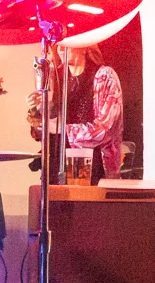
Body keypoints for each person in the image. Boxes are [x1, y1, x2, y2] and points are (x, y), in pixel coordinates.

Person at [27, 42, 124, 182]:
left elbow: (106, 128)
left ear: (85, 46)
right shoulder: (57, 77)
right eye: (58, 45)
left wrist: (65, 130)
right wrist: (40, 106)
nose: (60, 49)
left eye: (66, 44)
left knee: (82, 193)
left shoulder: (104, 76)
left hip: (92, 164)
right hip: (57, 163)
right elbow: (43, 130)